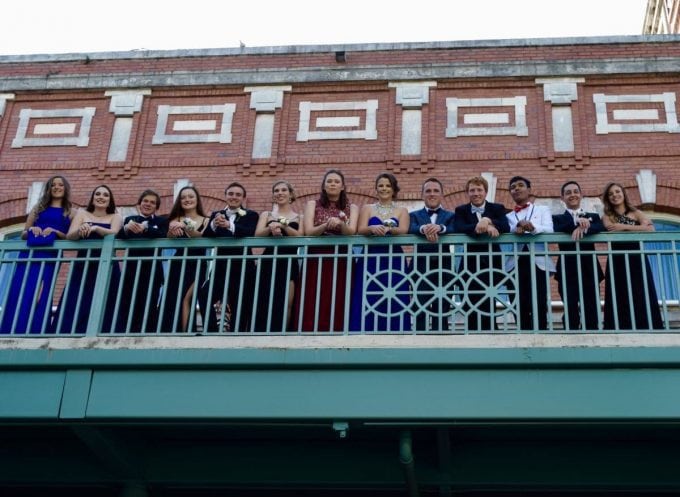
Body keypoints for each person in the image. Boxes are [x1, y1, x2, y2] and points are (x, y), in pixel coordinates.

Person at [0, 176, 73, 334]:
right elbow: (23, 234)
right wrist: (32, 230)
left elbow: (71, 237)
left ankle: (35, 329)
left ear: (65, 188)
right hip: (29, 254)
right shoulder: (39, 208)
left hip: (50, 255)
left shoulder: (70, 212)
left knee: (42, 291)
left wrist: (55, 232)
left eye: (60, 185)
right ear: (49, 188)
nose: (56, 187)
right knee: (22, 288)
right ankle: (12, 328)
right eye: (53, 185)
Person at [51, 185, 123, 334]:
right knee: (77, 298)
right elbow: (71, 235)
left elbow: (114, 232)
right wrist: (80, 230)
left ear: (110, 201)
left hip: (107, 265)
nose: (101, 197)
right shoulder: (82, 214)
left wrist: (95, 228)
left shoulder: (115, 216)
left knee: (107, 299)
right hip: (84, 264)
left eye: (105, 195)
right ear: (93, 198)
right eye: (97, 194)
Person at [350, 173, 410, 332]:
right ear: (376, 189)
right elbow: (360, 229)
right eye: (381, 185)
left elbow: (403, 230)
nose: (384, 188)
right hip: (370, 256)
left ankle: (395, 331)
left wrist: (390, 229)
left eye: (388, 186)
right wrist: (371, 228)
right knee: (367, 292)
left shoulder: (402, 210)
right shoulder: (367, 208)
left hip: (393, 258)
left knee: (394, 293)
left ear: (394, 189)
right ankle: (363, 329)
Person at [299, 169, 358, 332]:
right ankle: (310, 329)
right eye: (329, 181)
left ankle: (339, 329)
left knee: (340, 294)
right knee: (314, 293)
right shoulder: (313, 204)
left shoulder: (351, 207)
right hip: (317, 255)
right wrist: (326, 225)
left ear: (343, 186)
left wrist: (341, 224)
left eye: (336, 181)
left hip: (342, 256)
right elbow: (308, 231)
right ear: (324, 186)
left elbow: (352, 231)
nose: (332, 184)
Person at [601, 182, 663, 330]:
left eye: (617, 192)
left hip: (637, 258)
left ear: (623, 194)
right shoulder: (607, 216)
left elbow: (651, 230)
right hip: (617, 259)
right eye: (611, 194)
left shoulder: (636, 212)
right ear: (608, 198)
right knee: (619, 292)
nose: (615, 195)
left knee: (641, 291)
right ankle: (621, 327)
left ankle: (647, 326)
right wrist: (638, 228)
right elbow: (611, 231)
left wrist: (623, 227)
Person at [198, 182, 258, 332]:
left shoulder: (251, 215)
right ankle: (211, 330)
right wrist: (213, 225)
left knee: (240, 302)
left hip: (243, 267)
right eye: (231, 194)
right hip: (221, 267)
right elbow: (206, 236)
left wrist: (229, 226)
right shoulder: (216, 214)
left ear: (243, 198)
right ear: (225, 196)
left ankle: (237, 333)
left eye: (238, 194)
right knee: (205, 294)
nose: (234, 197)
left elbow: (249, 232)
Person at [454, 176, 510, 331]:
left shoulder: (497, 208)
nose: (476, 193)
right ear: (467, 192)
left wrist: (487, 220)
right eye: (472, 190)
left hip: (492, 264)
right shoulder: (461, 210)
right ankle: (473, 334)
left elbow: (505, 226)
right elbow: (459, 227)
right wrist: (482, 227)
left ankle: (492, 332)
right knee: (470, 301)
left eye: (479, 190)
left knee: (488, 299)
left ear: (485, 192)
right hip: (470, 265)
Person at [552, 181, 605, 331]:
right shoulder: (557, 218)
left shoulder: (593, 216)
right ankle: (570, 337)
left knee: (591, 306)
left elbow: (600, 227)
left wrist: (584, 228)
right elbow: (556, 229)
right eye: (568, 193)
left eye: (575, 191)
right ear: (562, 198)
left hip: (589, 268)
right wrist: (577, 222)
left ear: (581, 195)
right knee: (570, 307)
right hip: (567, 269)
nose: (572, 195)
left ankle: (592, 337)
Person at [505, 176, 555, 331]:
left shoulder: (542, 209)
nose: (517, 189)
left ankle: (541, 335)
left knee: (539, 301)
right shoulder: (507, 216)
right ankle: (523, 334)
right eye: (513, 187)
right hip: (515, 264)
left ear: (529, 190)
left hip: (537, 263)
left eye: (521, 185)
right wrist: (516, 227)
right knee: (518, 302)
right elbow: (506, 231)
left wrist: (532, 227)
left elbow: (549, 229)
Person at [116, 190, 169, 333]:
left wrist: (146, 229)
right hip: (132, 271)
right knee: (128, 302)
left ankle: (147, 334)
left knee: (149, 303)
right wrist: (127, 229)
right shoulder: (130, 219)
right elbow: (120, 236)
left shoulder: (162, 221)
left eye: (152, 202)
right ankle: (127, 333)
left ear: (156, 207)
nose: (148, 204)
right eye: (145, 201)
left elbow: (161, 234)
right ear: (140, 203)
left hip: (152, 271)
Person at [254, 180, 303, 332]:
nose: (280, 193)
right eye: (276, 191)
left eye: (283, 190)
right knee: (265, 298)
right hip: (269, 260)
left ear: (290, 194)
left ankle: (283, 333)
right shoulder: (267, 214)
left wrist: (284, 226)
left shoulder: (299, 217)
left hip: (289, 261)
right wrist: (270, 227)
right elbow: (257, 235)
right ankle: (262, 332)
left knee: (287, 302)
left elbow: (300, 237)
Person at [408, 178, 456, 331]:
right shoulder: (414, 215)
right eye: (428, 191)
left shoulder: (451, 215)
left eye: (436, 191)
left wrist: (440, 228)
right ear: (422, 195)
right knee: (419, 309)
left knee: (442, 310)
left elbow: (456, 228)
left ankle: (442, 346)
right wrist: (424, 229)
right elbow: (409, 228)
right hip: (419, 268)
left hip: (444, 269)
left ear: (442, 195)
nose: (432, 194)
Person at [160, 185, 209, 332]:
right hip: (179, 262)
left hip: (198, 263)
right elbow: (168, 238)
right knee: (174, 297)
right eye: (183, 197)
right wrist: (171, 231)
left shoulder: (206, 220)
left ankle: (186, 331)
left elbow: (204, 238)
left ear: (197, 199)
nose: (187, 199)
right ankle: (170, 331)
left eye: (190, 196)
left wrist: (187, 227)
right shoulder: (174, 219)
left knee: (187, 298)